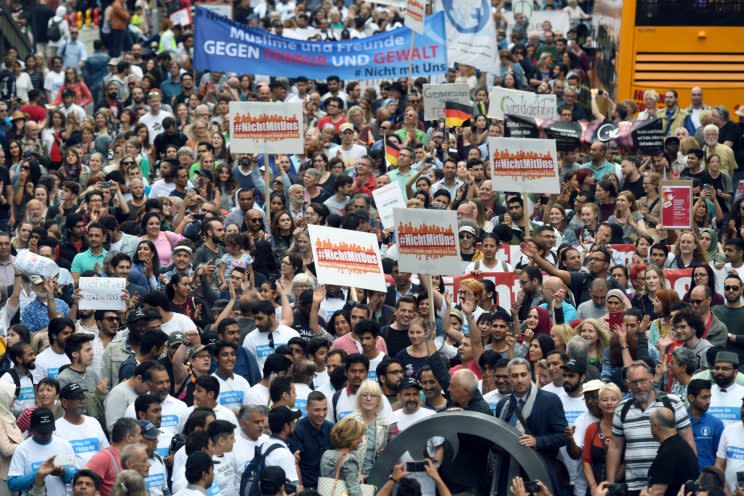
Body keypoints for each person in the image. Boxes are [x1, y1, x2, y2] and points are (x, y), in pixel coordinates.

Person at [606, 361, 695, 494]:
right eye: (633, 382)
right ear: (627, 384)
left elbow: (688, 441)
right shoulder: (622, 409)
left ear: (652, 377)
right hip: (634, 487)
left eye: (643, 380)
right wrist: (610, 486)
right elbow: (615, 447)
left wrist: (690, 482)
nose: (639, 386)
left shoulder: (672, 402)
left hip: (669, 486)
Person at [8, 408, 75, 495]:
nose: (46, 434)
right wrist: (39, 474)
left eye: (48, 430)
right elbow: (12, 484)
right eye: (41, 431)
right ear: (32, 429)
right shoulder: (22, 449)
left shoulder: (64, 445)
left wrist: (64, 472)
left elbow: (77, 476)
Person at [646, 407, 699, 496]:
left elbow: (657, 492)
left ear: (655, 426)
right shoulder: (681, 445)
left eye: (650, 425)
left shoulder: (669, 452)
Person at [85, 418, 142, 496]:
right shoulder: (104, 457)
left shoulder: (130, 457)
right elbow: (82, 479)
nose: (141, 438)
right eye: (139, 434)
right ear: (129, 438)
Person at [346, 380, 389, 481]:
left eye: (373, 396)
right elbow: (341, 452)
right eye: (365, 395)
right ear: (359, 398)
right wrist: (355, 474)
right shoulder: (349, 421)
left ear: (378, 399)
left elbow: (381, 455)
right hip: (351, 477)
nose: (368, 399)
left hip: (374, 478)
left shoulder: (383, 424)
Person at [289, 391, 332, 489]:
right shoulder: (297, 430)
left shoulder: (332, 429)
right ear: (307, 409)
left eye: (324, 409)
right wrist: (300, 488)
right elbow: (296, 464)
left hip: (328, 486)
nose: (321, 414)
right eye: (317, 410)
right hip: (307, 487)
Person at [319, 416, 367, 496]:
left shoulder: (326, 454)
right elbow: (355, 491)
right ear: (350, 437)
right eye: (359, 436)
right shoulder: (349, 459)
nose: (361, 440)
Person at [687, 379, 724, 471]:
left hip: (706, 479)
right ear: (691, 398)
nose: (708, 401)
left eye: (709, 397)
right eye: (704, 397)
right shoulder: (679, 421)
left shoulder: (716, 424)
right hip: (682, 478)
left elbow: (720, 457)